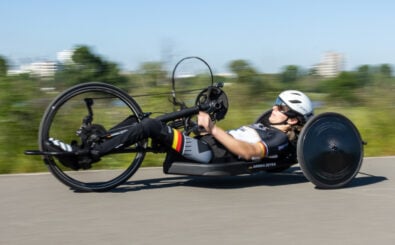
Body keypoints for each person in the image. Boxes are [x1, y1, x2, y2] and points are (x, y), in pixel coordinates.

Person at [47, 90, 313, 169]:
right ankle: (94, 144)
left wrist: (214, 129)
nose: (274, 107)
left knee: (151, 127)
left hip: (210, 154)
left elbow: (247, 152)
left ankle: (84, 157)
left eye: (282, 107)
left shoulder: (277, 137)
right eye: (276, 102)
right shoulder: (265, 124)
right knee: (140, 123)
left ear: (292, 120)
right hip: (207, 143)